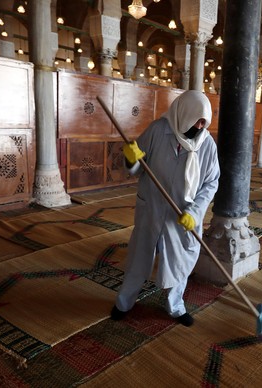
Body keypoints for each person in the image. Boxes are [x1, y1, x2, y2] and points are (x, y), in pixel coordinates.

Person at [110, 90, 220, 327]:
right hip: (151, 207)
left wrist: (195, 212)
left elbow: (212, 182)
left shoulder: (207, 145)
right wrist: (131, 158)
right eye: (197, 119)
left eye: (205, 121)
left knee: (180, 261)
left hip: (183, 216)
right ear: (184, 113)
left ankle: (175, 307)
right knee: (139, 257)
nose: (201, 125)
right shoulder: (159, 130)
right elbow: (138, 166)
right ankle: (123, 302)